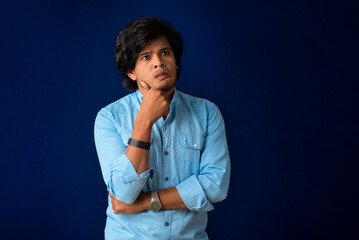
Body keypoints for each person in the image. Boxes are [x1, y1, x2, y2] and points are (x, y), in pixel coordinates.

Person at [94, 16, 230, 240]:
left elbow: (216, 186)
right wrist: (145, 120)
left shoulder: (207, 113)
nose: (158, 62)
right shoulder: (109, 118)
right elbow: (124, 195)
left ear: (175, 61)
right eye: (146, 57)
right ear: (131, 71)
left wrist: (146, 202)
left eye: (165, 53)